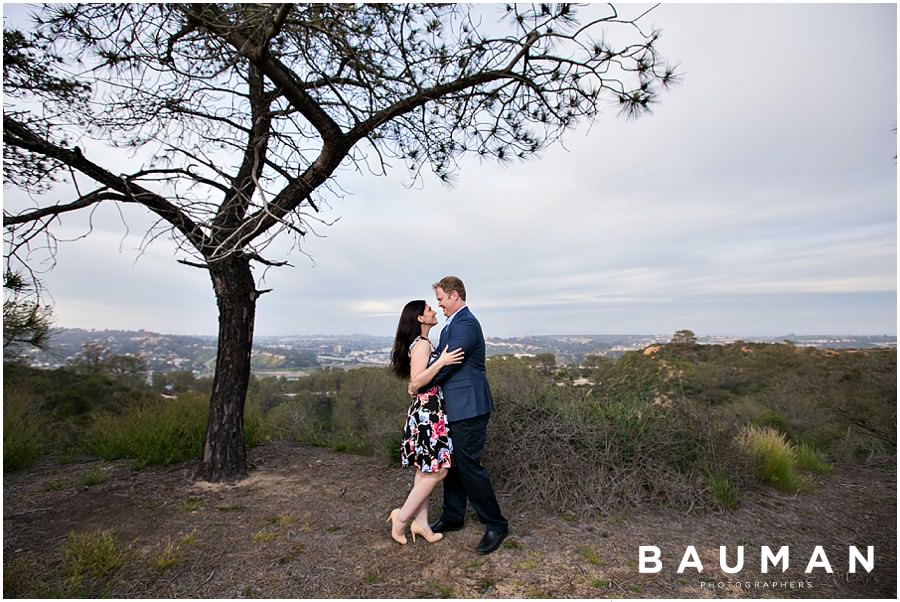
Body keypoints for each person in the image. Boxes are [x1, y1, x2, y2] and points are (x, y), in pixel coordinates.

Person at [411, 276, 509, 555]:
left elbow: (448, 364)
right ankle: (453, 516)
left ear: (454, 295)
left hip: (470, 407)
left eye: (441, 299)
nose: (439, 304)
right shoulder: (453, 324)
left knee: (468, 466)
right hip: (453, 408)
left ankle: (496, 524)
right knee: (451, 464)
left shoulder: (465, 324)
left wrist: (420, 383)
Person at [387, 299, 464, 545]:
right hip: (427, 412)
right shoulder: (421, 345)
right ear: (420, 318)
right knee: (438, 471)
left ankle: (422, 525)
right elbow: (417, 380)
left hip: (428, 409)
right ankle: (401, 519)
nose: (434, 312)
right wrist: (442, 361)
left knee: (425, 470)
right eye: (429, 310)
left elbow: (414, 383)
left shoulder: (422, 343)